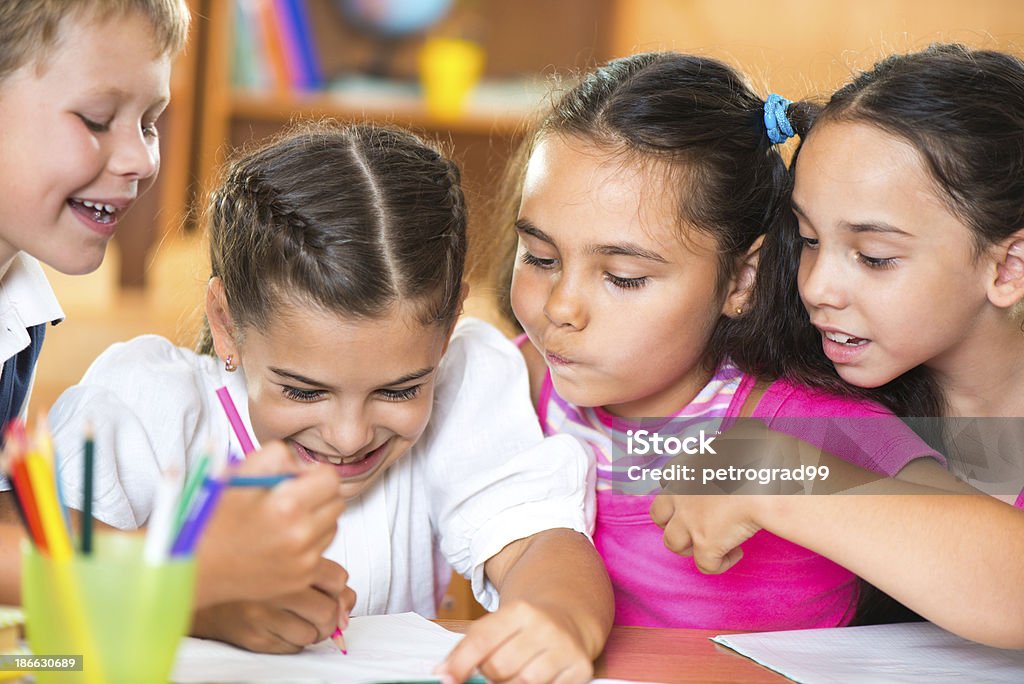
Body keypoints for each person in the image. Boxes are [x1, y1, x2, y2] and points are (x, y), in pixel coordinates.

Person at [49, 122, 613, 681]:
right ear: (225, 323)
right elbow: (33, 638)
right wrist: (200, 609)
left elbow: (541, 544)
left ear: (446, 331)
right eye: (302, 391)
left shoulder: (464, 383)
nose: (349, 437)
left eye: (398, 390)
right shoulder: (147, 406)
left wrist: (556, 620)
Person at [502, 51, 944, 631]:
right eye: (540, 257)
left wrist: (787, 477)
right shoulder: (512, 381)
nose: (560, 308)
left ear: (742, 279)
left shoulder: (803, 422)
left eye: (624, 277)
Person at [654, 44, 1024, 648]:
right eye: (806, 239)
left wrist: (781, 478)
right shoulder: (808, 403)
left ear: (1009, 267)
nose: (817, 287)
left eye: (875, 258)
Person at [0, 0, 192, 602]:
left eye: (150, 121)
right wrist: (181, 583)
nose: (139, 160)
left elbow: (11, 522)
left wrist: (177, 573)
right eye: (97, 119)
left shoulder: (20, 311)